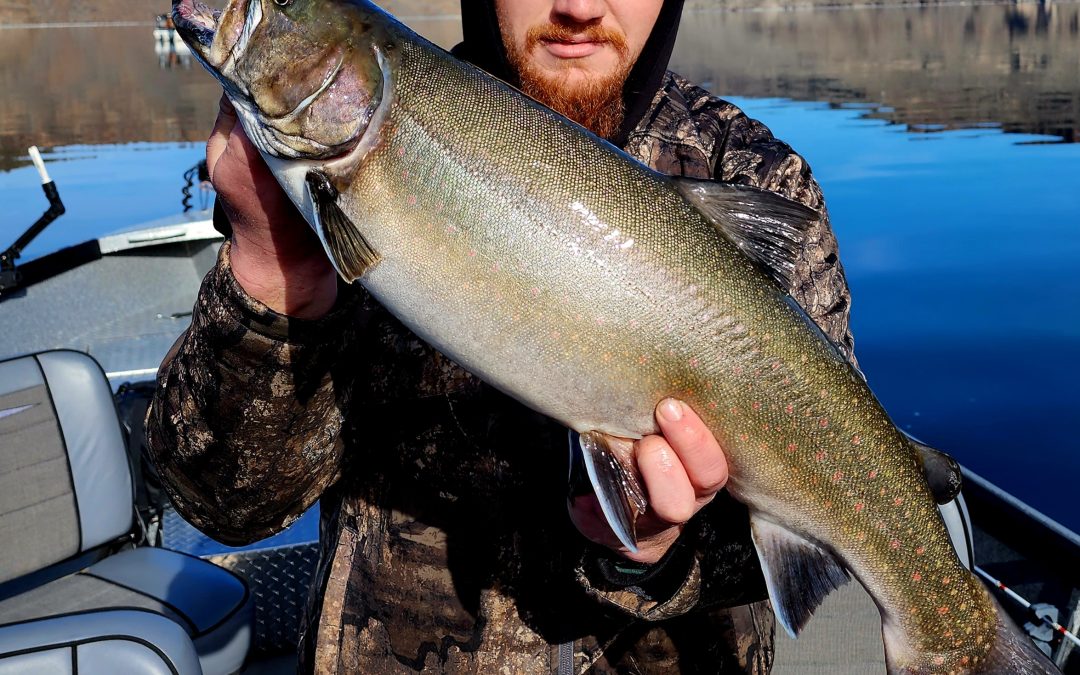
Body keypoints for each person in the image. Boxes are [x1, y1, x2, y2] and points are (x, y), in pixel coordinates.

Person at [147, 0, 856, 672]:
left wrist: (663, 553)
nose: (579, 6)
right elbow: (222, 503)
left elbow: (829, 517)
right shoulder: (347, 150)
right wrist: (279, 273)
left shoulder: (757, 177)